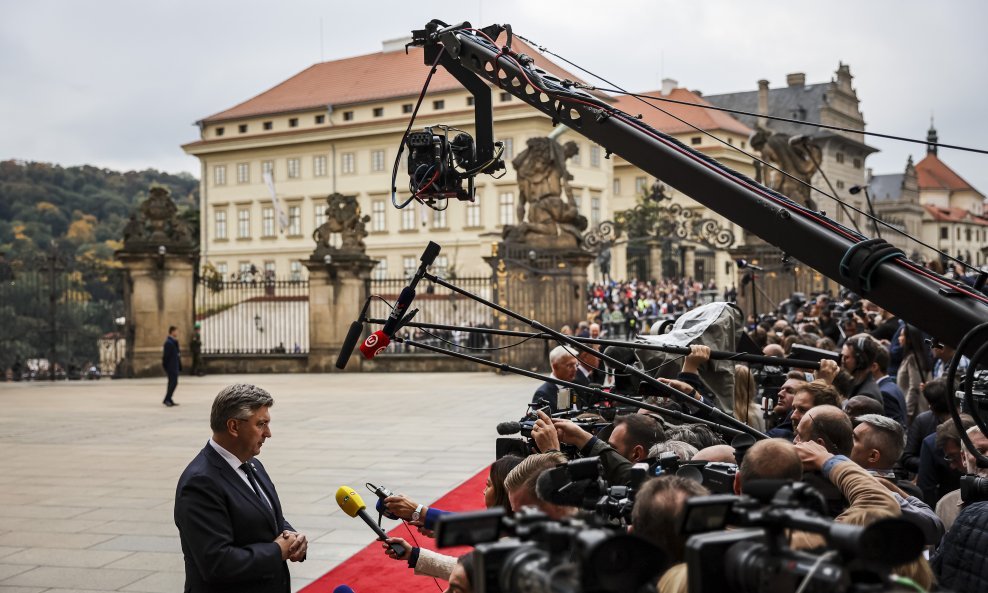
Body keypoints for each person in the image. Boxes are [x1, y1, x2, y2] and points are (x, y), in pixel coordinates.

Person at [174, 384, 306, 593]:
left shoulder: (252, 463)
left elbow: (266, 515)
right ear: (234, 427)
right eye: (261, 424)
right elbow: (217, 563)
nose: (268, 433)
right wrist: (276, 551)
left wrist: (291, 536)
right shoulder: (200, 482)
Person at [896, 324, 931, 424]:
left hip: (915, 411)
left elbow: (914, 387)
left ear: (909, 339)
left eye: (902, 335)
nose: (899, 338)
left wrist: (907, 412)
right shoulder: (909, 357)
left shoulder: (914, 359)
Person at [531, 345, 580, 414]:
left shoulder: (570, 385)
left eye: (576, 365)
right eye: (570, 365)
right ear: (555, 366)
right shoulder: (542, 394)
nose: (575, 369)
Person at [839, 334, 883, 404]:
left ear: (860, 361)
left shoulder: (867, 396)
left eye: (846, 357)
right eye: (842, 356)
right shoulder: (855, 384)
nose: (842, 361)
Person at [162, 325, 182, 406]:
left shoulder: (174, 342)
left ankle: (169, 399)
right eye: (176, 331)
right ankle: (167, 399)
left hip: (175, 366)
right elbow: (165, 357)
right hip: (171, 367)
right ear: (172, 331)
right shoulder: (168, 343)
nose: (177, 333)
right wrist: (166, 367)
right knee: (173, 383)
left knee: (172, 383)